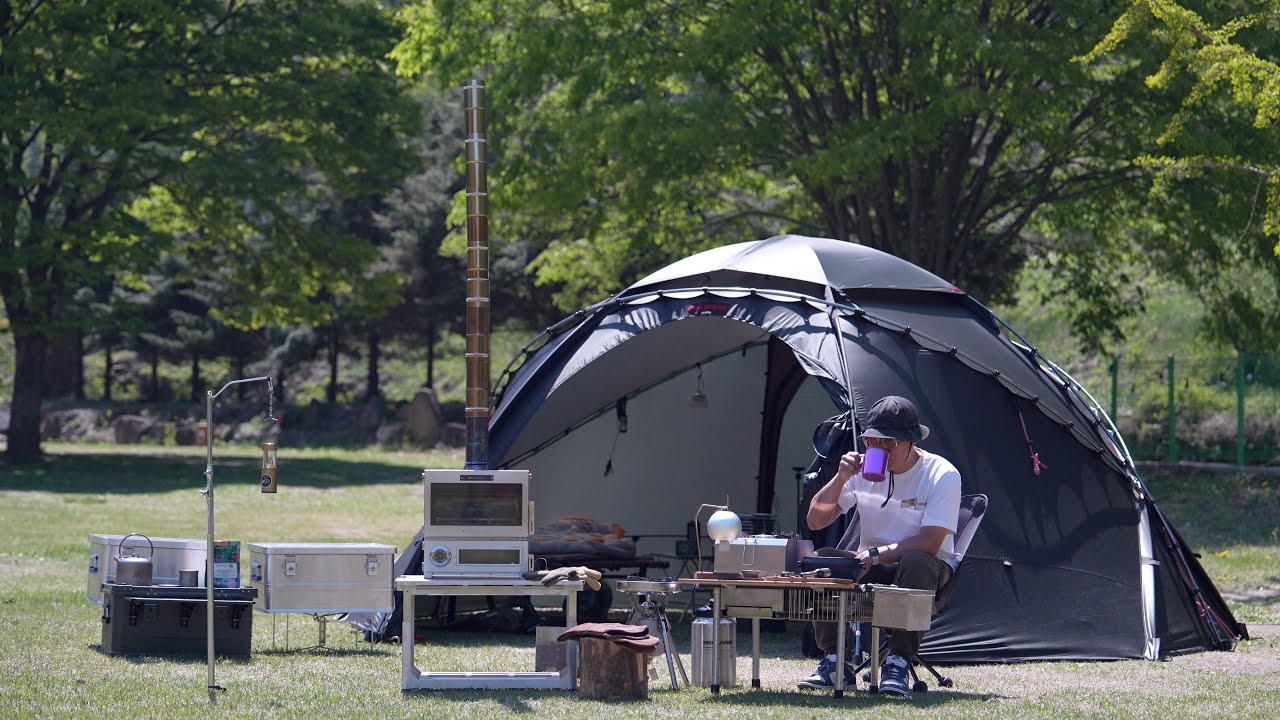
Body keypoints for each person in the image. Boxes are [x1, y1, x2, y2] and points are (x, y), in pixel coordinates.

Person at [798, 395, 961, 696]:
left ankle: (897, 662)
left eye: (889, 442)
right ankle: (836, 661)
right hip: (870, 565)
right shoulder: (862, 472)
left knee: (915, 560)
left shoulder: (941, 474)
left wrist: (876, 554)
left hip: (926, 569)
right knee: (823, 560)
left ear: (911, 442)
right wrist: (840, 477)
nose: (879, 449)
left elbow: (931, 541)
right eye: (872, 441)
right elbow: (815, 521)